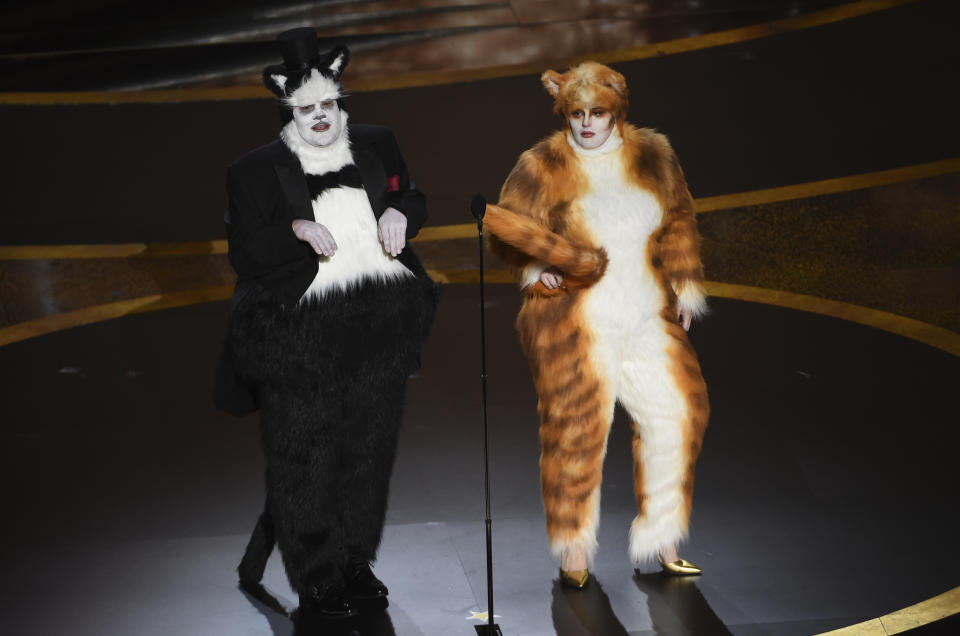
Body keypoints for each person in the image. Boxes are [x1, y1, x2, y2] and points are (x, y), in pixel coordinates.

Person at [213, 28, 437, 619]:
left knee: (369, 450)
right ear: (290, 108)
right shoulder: (254, 170)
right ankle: (316, 572)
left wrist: (397, 212)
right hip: (301, 335)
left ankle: (356, 561)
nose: (320, 118)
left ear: (341, 102)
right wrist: (295, 230)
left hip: (378, 324)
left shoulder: (377, 143)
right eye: (307, 109)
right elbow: (245, 253)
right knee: (306, 455)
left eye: (328, 106)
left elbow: (414, 198)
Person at [481, 61, 709, 588]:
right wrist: (540, 269)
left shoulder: (654, 155)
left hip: (646, 312)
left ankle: (664, 540)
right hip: (577, 322)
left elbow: (679, 219)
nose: (586, 124)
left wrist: (685, 284)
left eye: (597, 114)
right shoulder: (540, 164)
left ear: (617, 113)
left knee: (677, 415)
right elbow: (509, 230)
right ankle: (574, 553)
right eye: (577, 114)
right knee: (576, 433)